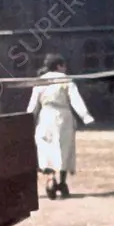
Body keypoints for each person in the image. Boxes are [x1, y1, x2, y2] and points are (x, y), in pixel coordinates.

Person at [27, 54, 95, 199]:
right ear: (59, 66)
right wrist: (85, 116)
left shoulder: (40, 81)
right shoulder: (65, 80)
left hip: (45, 116)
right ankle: (61, 181)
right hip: (62, 117)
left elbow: (33, 105)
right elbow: (75, 100)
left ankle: (51, 178)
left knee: (48, 148)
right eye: (63, 65)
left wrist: (27, 118)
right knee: (64, 148)